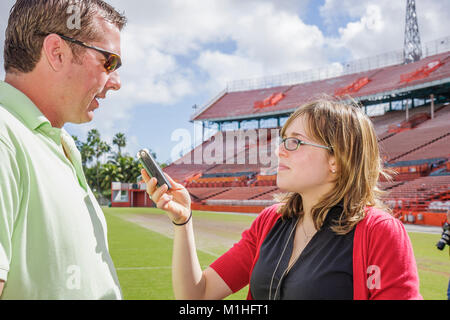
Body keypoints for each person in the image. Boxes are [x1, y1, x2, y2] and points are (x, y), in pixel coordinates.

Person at [142, 98, 423, 300]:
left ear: (337, 159)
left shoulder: (378, 232)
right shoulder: (270, 221)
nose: (280, 152)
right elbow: (198, 296)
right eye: (283, 141)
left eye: (295, 142)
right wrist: (184, 221)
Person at [0, 0, 126, 299]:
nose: (117, 82)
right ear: (57, 52)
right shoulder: (5, 136)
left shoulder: (60, 144)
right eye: (109, 62)